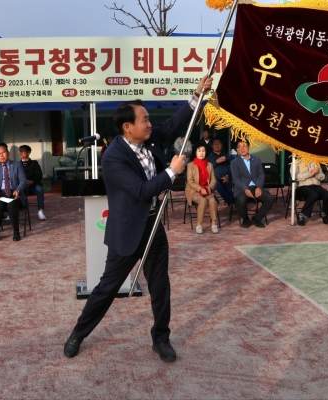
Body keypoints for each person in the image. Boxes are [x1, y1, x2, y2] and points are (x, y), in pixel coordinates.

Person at [63, 75, 213, 363]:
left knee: (160, 285)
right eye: (144, 120)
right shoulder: (113, 157)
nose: (149, 123)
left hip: (153, 225)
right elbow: (141, 191)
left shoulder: (151, 138)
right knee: (108, 287)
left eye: (148, 119)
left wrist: (197, 95)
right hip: (127, 230)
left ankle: (161, 339)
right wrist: (172, 171)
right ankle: (78, 334)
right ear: (127, 127)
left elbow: (176, 122)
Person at [230, 139, 274, 228]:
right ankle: (245, 218)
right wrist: (245, 189)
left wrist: (258, 187)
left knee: (270, 198)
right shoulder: (234, 162)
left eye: (244, 146)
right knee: (241, 199)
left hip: (255, 186)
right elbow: (236, 179)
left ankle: (256, 218)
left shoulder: (256, 159)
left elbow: (261, 174)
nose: (242, 148)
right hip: (242, 188)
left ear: (249, 147)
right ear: (237, 149)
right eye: (239, 147)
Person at [0, 143, 27, 241]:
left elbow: (23, 180)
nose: (1, 155)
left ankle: (16, 232)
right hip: (1, 194)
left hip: (14, 193)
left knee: (12, 205)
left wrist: (18, 190)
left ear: (8, 153)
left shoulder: (17, 165)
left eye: (3, 152)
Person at [186, 143, 218, 234]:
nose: (201, 153)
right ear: (195, 152)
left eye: (203, 151)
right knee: (203, 201)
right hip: (194, 191)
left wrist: (210, 187)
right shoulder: (190, 165)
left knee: (212, 200)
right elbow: (190, 181)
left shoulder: (210, 165)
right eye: (199, 151)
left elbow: (213, 179)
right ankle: (199, 224)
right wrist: (200, 189)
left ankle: (214, 223)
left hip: (207, 190)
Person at [292, 160, 328, 226]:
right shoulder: (296, 162)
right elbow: (295, 177)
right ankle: (301, 215)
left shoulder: (315, 162)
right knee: (313, 195)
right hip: (302, 186)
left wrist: (316, 173)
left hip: (316, 186)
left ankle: (324, 214)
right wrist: (310, 173)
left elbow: (322, 177)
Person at [19, 145, 46, 221]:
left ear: (28, 152)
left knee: (39, 189)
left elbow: (39, 175)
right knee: (15, 189)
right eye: (20, 151)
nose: (20, 152)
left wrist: (32, 181)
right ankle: (18, 209)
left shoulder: (34, 163)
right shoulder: (17, 164)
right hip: (22, 186)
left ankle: (40, 211)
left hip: (32, 186)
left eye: (23, 151)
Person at [206, 137, 234, 206]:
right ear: (212, 146)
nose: (217, 145)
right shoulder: (209, 157)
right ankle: (232, 202)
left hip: (226, 177)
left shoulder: (226, 156)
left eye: (219, 143)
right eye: (215, 144)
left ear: (222, 145)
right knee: (219, 186)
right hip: (214, 179)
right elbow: (207, 168)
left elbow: (231, 167)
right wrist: (216, 162)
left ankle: (233, 203)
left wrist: (227, 176)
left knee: (229, 188)